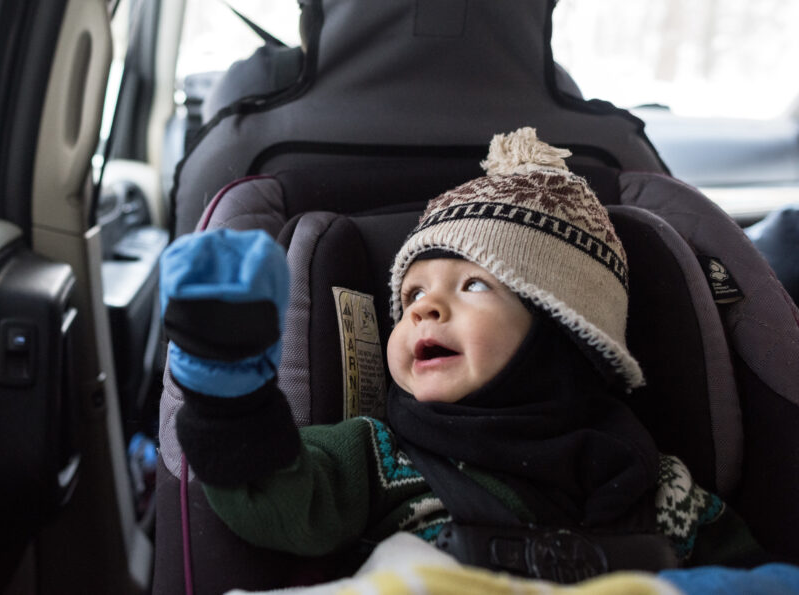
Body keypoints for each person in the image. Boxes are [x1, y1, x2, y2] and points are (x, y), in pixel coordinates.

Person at [159, 127, 764, 581]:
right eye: (411, 294)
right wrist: (229, 384)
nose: (423, 308)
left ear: (564, 326)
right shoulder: (378, 459)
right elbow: (274, 497)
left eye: (474, 284)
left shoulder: (662, 490)